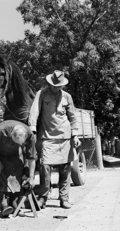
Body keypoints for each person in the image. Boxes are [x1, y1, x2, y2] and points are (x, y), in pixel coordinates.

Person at [28, 70, 81, 209]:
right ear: (49, 83)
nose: (56, 88)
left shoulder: (67, 97)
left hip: (65, 137)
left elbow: (73, 117)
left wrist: (75, 135)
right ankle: (43, 197)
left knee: (65, 169)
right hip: (47, 137)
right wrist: (33, 129)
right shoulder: (42, 93)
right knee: (44, 167)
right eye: (54, 85)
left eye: (59, 86)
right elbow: (34, 112)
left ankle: (64, 198)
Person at [0, 120, 37, 217]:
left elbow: (32, 157)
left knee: (17, 175)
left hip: (15, 154)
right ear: (11, 135)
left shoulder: (30, 135)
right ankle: (4, 206)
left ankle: (14, 205)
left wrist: (31, 177)